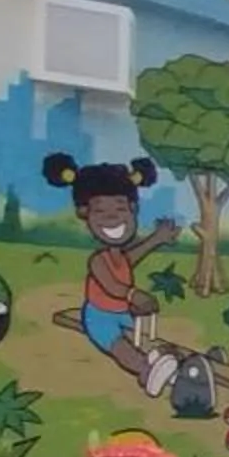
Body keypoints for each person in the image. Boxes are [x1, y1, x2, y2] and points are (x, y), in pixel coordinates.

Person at [46, 152, 181, 396]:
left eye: (120, 208)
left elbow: (133, 257)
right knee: (120, 347)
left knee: (142, 338)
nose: (112, 217)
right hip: (99, 316)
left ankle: (165, 369)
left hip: (122, 313)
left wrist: (157, 238)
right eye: (101, 211)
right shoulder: (98, 260)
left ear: (132, 209)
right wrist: (133, 295)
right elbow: (111, 286)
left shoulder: (120, 256)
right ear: (85, 213)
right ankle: (145, 372)